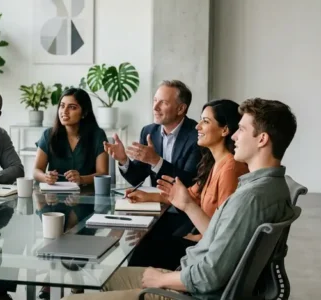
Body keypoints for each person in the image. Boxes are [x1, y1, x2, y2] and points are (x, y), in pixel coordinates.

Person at [63, 98, 298, 300]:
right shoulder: (268, 188)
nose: (234, 135)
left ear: (262, 139)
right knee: (98, 276)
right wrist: (185, 203)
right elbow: (217, 239)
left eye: (242, 130)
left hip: (185, 291)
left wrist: (163, 279)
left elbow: (209, 277)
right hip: (185, 277)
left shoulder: (251, 197)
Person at [124, 99, 249, 270]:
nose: (197, 127)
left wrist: (194, 239)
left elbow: (223, 234)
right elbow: (189, 194)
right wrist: (148, 196)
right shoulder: (214, 162)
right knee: (146, 242)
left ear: (225, 130)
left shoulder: (230, 169)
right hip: (200, 239)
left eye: (205, 121)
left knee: (146, 247)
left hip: (207, 252)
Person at [103, 80, 200, 188]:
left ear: (180, 109)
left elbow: (190, 182)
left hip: (184, 203)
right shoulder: (149, 132)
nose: (155, 107)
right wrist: (123, 160)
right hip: (156, 203)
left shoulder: (197, 136)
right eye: (155, 100)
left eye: (163, 103)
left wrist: (156, 161)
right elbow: (136, 178)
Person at [33, 88, 109, 185]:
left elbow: (103, 173)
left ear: (84, 113)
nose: (64, 111)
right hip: (54, 196)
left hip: (88, 195)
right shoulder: (48, 135)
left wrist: (82, 179)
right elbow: (36, 171)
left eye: (72, 107)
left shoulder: (97, 135)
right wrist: (46, 177)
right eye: (62, 106)